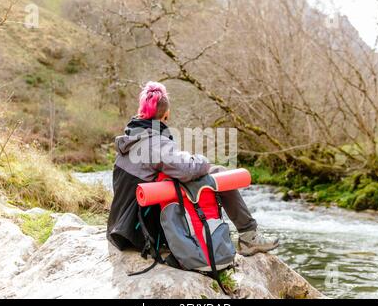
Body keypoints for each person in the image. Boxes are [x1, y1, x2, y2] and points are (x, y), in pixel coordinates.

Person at [108, 81, 279, 257]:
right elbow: (186, 170)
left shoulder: (131, 138)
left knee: (208, 172)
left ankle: (243, 234)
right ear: (166, 115)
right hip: (141, 232)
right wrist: (202, 159)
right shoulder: (155, 142)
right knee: (220, 174)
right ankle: (248, 235)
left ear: (141, 112)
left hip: (120, 226)